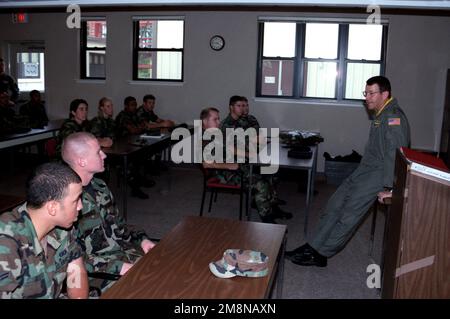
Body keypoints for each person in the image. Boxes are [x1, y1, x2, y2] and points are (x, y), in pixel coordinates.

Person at [286, 75, 410, 267]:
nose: (366, 97)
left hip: (378, 175)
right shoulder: (382, 113)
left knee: (348, 215)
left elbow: (395, 155)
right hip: (364, 170)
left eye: (371, 93)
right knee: (334, 205)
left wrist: (391, 187)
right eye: (365, 93)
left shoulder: (394, 117)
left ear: (385, 94)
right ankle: (313, 246)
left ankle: (321, 254)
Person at [61, 132, 156, 292]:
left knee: (169, 270)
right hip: (97, 273)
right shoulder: (64, 200)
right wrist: (118, 267)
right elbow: (68, 258)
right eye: (98, 152)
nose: (104, 155)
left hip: (124, 254)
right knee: (149, 289)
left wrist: (142, 240)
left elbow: (120, 226)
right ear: (82, 161)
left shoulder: (100, 186)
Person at [0, 162, 89, 299]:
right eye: (76, 200)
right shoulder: (6, 244)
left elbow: (75, 271)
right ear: (52, 208)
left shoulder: (64, 227)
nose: (80, 206)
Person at [201, 107, 291, 224]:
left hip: (238, 167)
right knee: (261, 184)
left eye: (218, 119)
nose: (219, 122)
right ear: (205, 122)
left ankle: (271, 207)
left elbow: (231, 149)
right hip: (225, 174)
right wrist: (229, 166)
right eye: (215, 119)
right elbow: (206, 164)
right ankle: (267, 219)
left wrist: (252, 153)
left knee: (270, 173)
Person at [115, 96, 155, 199]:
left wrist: (139, 128)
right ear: (126, 106)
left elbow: (143, 126)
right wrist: (139, 128)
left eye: (135, 105)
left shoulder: (134, 115)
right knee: (132, 163)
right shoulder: (123, 116)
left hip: (133, 144)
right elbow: (134, 130)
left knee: (144, 154)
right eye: (132, 105)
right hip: (121, 147)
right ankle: (135, 189)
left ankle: (140, 179)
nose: (135, 107)